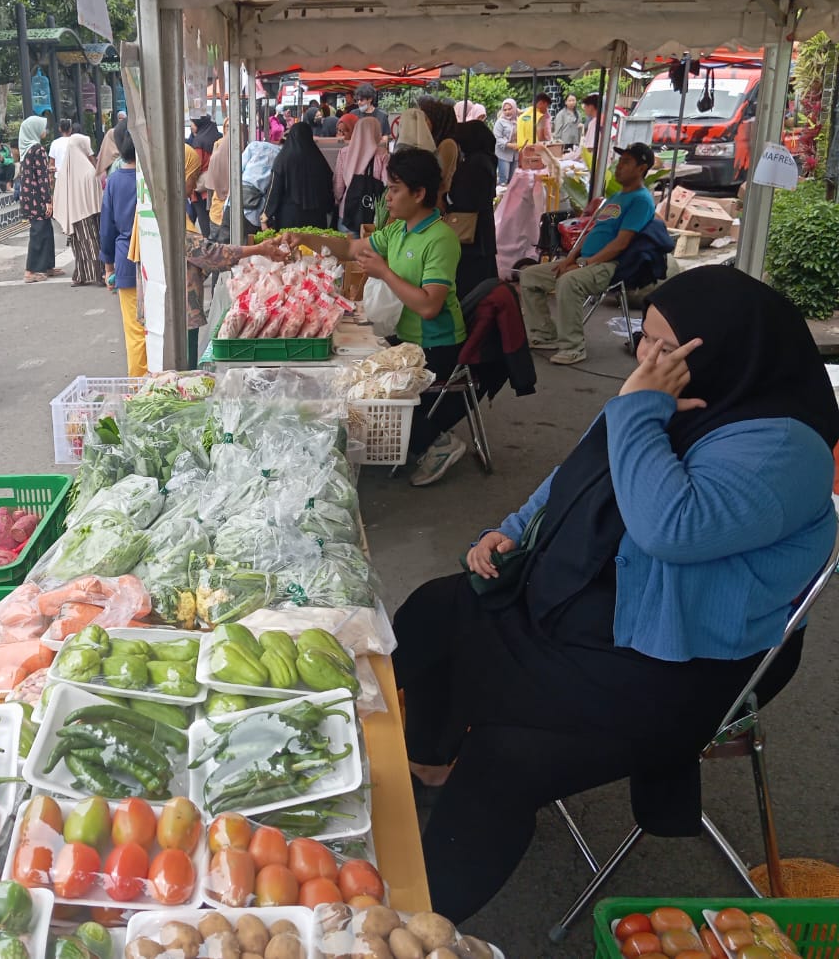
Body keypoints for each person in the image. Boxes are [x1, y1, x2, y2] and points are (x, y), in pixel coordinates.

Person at [392, 264, 839, 921]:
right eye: (645, 339)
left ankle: (417, 924)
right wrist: (509, 530)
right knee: (439, 608)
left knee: (506, 752)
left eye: (667, 346)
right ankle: (431, 767)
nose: (646, 358)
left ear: (716, 350)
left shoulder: (783, 447)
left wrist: (637, 407)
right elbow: (581, 466)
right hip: (597, 603)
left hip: (677, 658)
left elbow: (670, 526)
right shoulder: (661, 397)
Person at [294, 148, 467, 487]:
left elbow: (431, 306)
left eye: (395, 190)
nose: (388, 198)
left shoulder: (441, 239)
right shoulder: (398, 230)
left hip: (436, 345)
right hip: (405, 339)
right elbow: (351, 249)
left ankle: (438, 443)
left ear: (419, 194)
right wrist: (305, 238)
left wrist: (384, 273)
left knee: (365, 390)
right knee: (347, 372)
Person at [520, 142, 657, 365]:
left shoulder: (641, 200)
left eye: (626, 162)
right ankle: (544, 334)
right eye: (620, 161)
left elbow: (621, 244)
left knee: (569, 281)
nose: (619, 166)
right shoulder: (614, 198)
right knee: (529, 276)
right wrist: (571, 258)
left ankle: (573, 346)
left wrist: (584, 264)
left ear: (642, 168)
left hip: (610, 265)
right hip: (586, 260)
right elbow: (591, 232)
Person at [185, 234, 289, 368]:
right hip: (183, 312)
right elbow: (213, 254)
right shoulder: (175, 232)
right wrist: (259, 249)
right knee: (184, 364)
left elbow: (205, 259)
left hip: (184, 309)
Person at [100, 132, 145, 375]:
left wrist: (108, 266)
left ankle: (140, 390)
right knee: (160, 326)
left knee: (135, 331)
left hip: (126, 261)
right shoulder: (153, 178)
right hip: (157, 260)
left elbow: (107, 228)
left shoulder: (115, 181)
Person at [447, 120, 500, 298]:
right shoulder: (487, 159)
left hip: (472, 233)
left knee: (471, 284)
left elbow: (465, 198)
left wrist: (446, 200)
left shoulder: (473, 164)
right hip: (483, 229)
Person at [53, 134, 104, 288]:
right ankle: (98, 274)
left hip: (73, 216)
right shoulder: (90, 171)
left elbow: (58, 195)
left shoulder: (64, 172)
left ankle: (81, 275)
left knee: (79, 246)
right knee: (92, 243)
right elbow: (98, 197)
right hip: (90, 214)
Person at [264, 123, 336, 232]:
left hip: (289, 219)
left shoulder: (283, 159)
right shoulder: (318, 158)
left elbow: (274, 190)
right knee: (315, 248)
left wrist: (265, 216)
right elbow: (329, 186)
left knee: (291, 249)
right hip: (316, 219)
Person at [17, 116, 61, 284]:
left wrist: (47, 169)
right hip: (38, 198)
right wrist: (47, 201)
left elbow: (33, 172)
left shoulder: (27, 149)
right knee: (39, 232)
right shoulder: (38, 149)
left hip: (29, 196)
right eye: (42, 127)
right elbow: (41, 179)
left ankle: (47, 266)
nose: (45, 131)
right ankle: (31, 270)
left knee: (46, 230)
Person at [333, 115, 387, 235]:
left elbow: (338, 187)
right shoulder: (382, 155)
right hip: (372, 214)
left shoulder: (344, 152)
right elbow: (387, 184)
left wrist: (338, 201)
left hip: (347, 212)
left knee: (345, 251)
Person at [419, 98, 460, 207]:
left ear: (436, 120)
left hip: (435, 204)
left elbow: (438, 176)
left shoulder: (447, 144)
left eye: (426, 119)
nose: (422, 124)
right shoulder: (434, 142)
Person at [241, 134, 282, 232]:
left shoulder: (254, 146)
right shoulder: (281, 156)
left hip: (235, 204)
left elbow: (237, 170)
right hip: (255, 212)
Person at [493, 99, 519, 185]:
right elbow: (497, 138)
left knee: (513, 180)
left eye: (510, 109)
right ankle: (502, 198)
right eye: (505, 110)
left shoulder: (519, 121)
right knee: (504, 180)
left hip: (515, 154)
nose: (507, 112)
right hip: (503, 154)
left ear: (515, 108)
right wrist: (508, 144)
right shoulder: (500, 122)